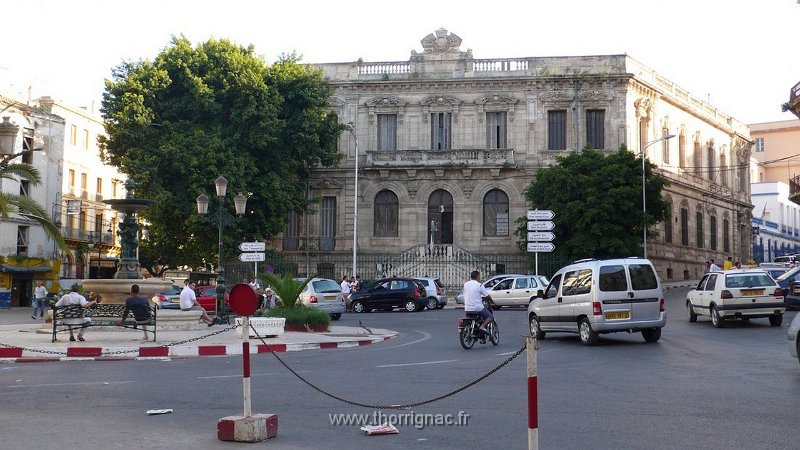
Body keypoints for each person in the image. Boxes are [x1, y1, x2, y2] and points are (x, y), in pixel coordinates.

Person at [463, 270, 494, 339]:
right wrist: (491, 300)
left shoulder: (466, 284)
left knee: (476, 318)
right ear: (477, 276)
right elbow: (486, 295)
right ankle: (482, 326)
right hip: (477, 308)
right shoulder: (479, 285)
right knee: (490, 317)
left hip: (467, 308)